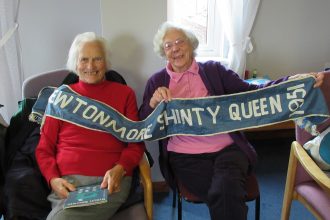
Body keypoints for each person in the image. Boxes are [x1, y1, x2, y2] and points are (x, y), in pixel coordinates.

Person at [138, 21, 324, 220]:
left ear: (191, 44)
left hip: (228, 149)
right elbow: (144, 125)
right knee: (226, 193)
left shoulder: (214, 71)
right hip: (185, 157)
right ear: (163, 52)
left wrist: (294, 82)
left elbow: (254, 93)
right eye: (168, 45)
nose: (175, 48)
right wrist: (153, 102)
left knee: (225, 190)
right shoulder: (157, 82)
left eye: (179, 42)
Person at [35, 32, 145, 220]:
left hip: (110, 181)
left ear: (106, 62)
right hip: (68, 182)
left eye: (97, 59)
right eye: (84, 59)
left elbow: (136, 144)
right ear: (75, 64)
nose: (90, 66)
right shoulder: (60, 97)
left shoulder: (125, 94)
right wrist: (53, 179)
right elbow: (44, 148)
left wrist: (120, 169)